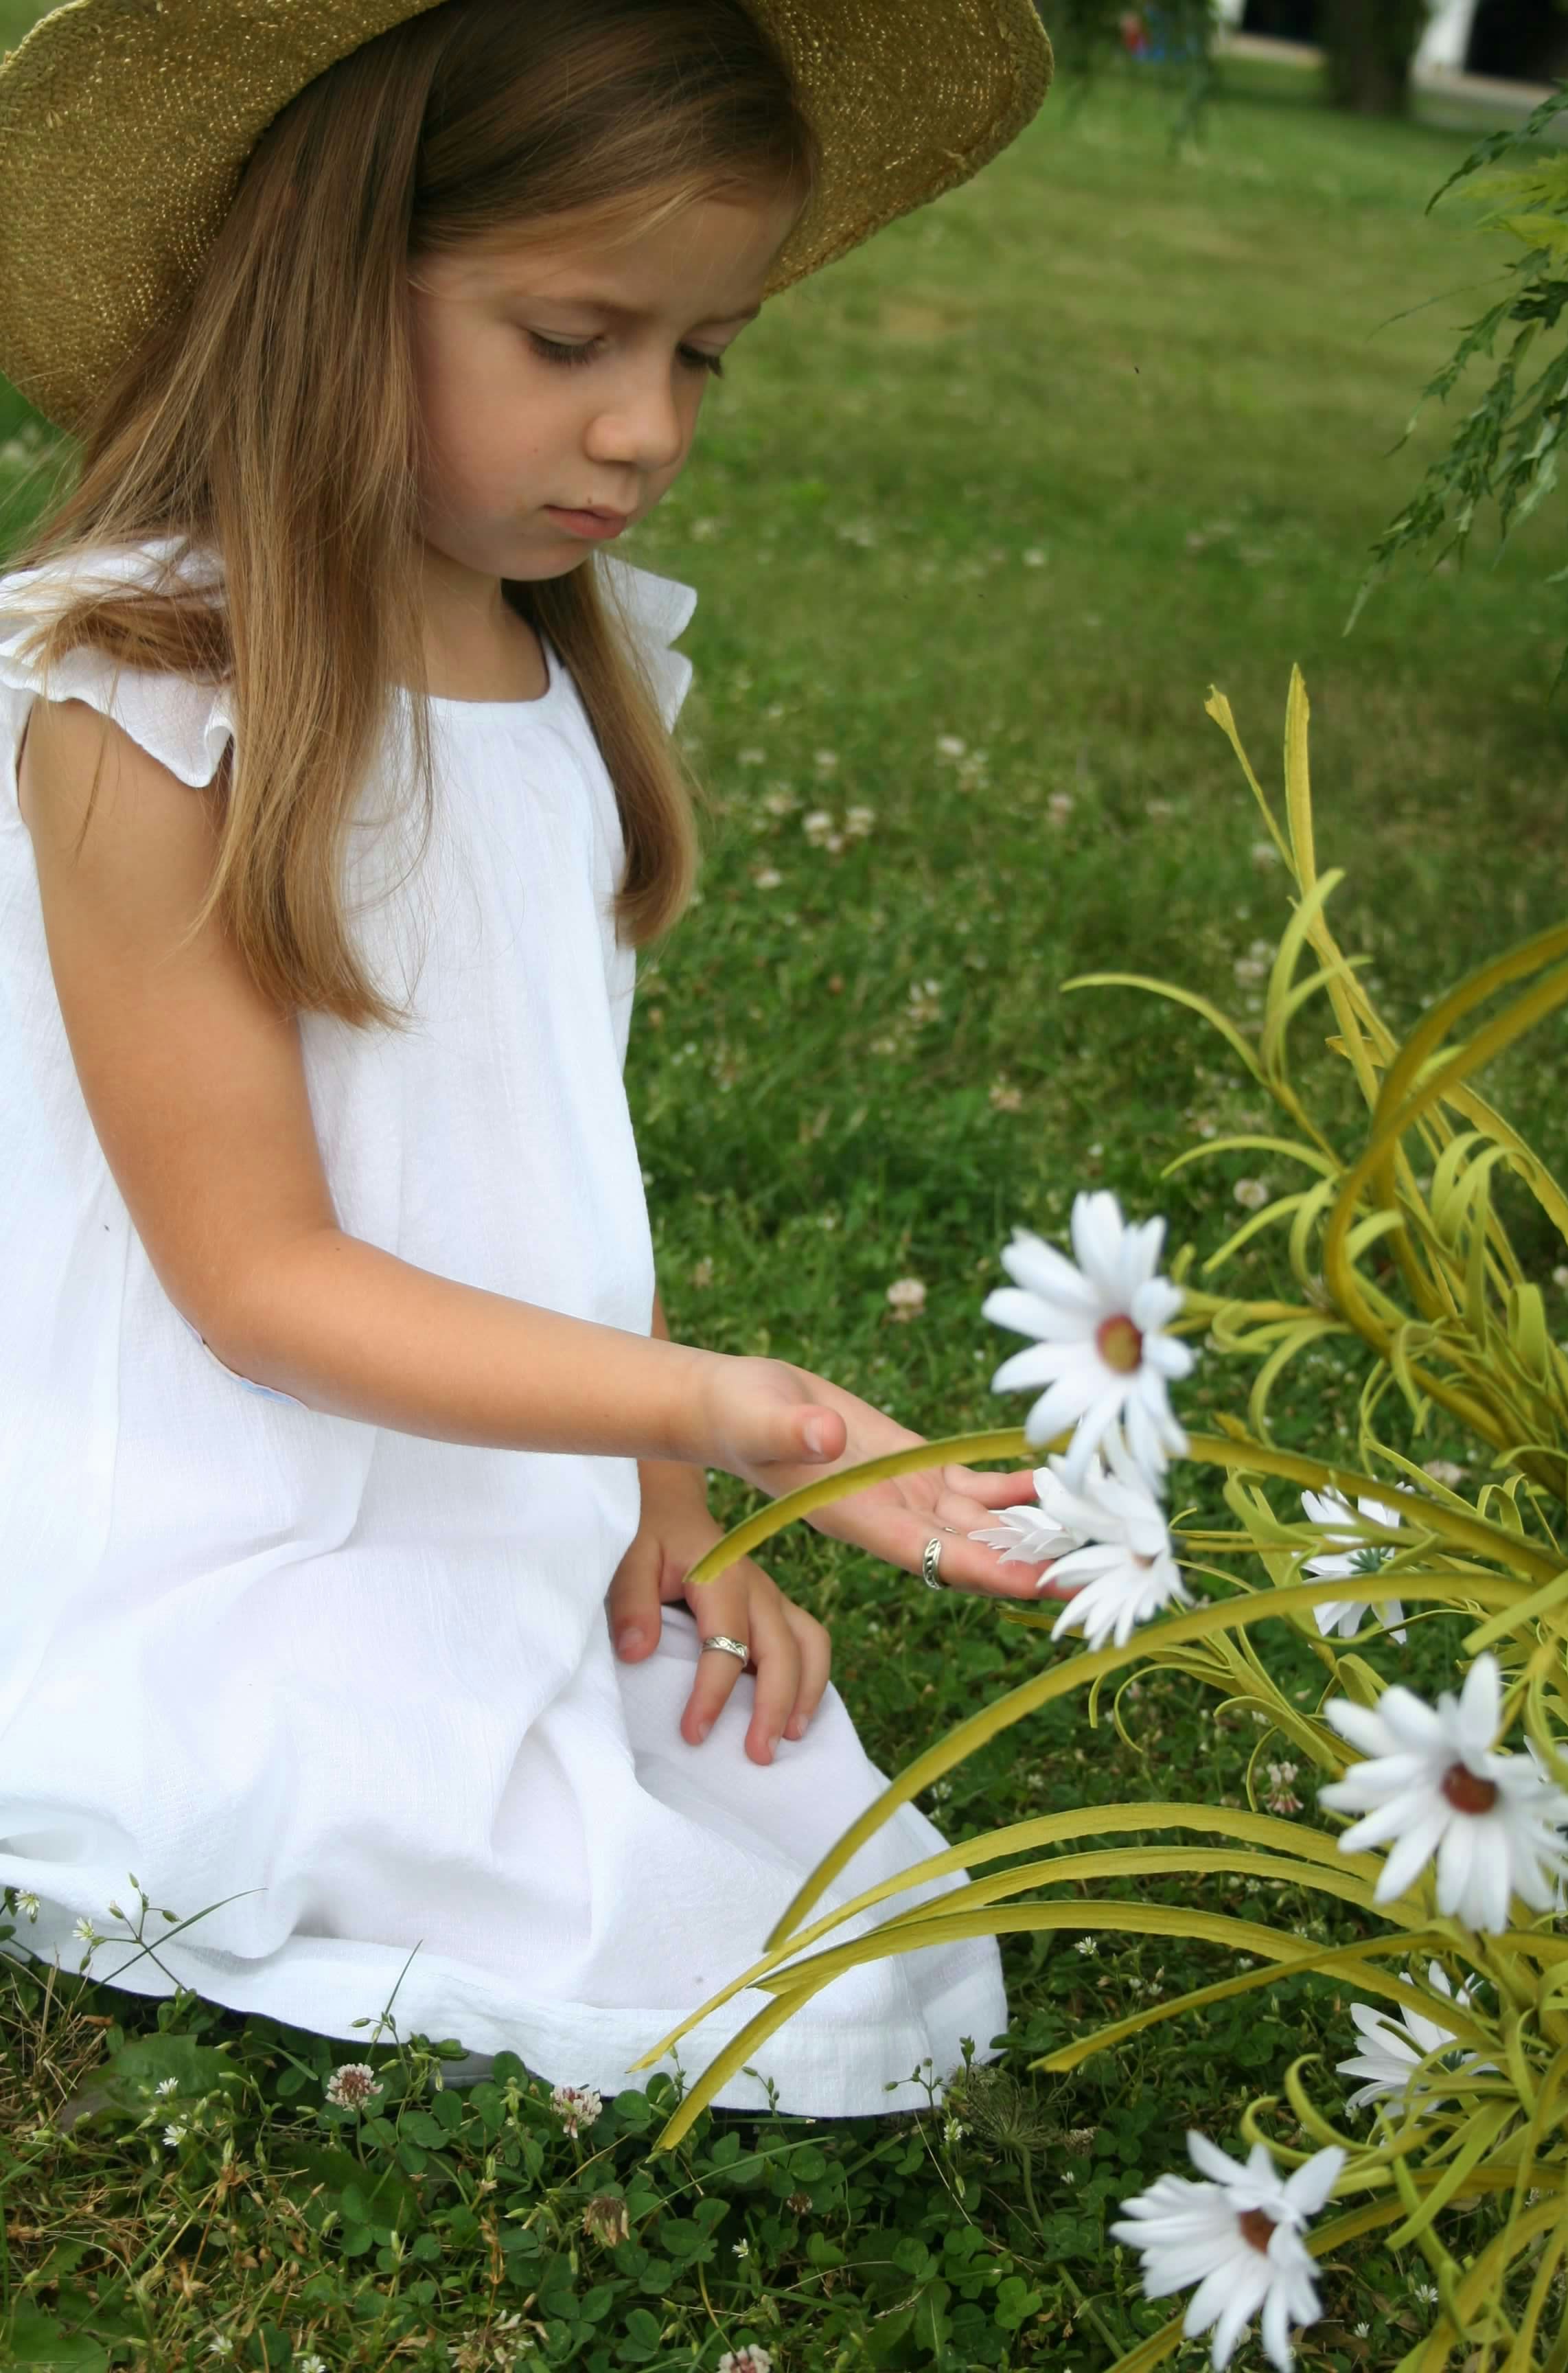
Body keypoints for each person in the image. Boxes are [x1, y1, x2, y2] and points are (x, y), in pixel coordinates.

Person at [0, 0, 1054, 2117]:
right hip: (216, 1497)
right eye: (572, 340)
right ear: (319, 287)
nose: (650, 426)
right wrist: (724, 1405)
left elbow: (542, 1161)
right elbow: (258, 1280)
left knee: (854, 1934)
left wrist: (655, 1496)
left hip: (475, 1466)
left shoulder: (556, 663)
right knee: (662, 1944)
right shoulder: (146, 694)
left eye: (700, 350)